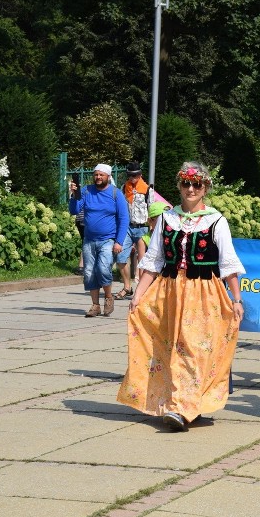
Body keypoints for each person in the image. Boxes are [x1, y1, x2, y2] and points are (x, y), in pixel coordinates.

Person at [117, 162, 245, 431]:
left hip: (204, 293)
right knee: (167, 347)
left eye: (196, 184)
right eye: (186, 184)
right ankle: (176, 403)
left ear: (205, 188)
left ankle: (184, 408)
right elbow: (153, 260)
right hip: (170, 291)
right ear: (179, 186)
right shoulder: (167, 218)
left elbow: (228, 263)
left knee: (195, 348)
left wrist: (236, 300)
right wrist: (138, 295)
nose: (190, 189)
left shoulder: (216, 220)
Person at [68, 163, 129, 318]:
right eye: (96, 174)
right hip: (89, 239)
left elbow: (123, 219)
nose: (98, 177)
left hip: (108, 239)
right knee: (88, 273)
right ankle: (95, 305)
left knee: (103, 269)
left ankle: (108, 297)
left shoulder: (116, 194)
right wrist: (74, 195)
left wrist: (119, 241)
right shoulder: (87, 191)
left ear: (108, 177)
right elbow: (74, 210)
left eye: (101, 175)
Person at [115, 162, 151, 300]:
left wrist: (152, 226)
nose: (132, 178)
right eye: (130, 175)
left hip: (142, 228)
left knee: (142, 261)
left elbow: (151, 208)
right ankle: (127, 287)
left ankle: (141, 291)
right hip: (127, 227)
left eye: (135, 175)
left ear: (140, 175)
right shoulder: (124, 188)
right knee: (120, 257)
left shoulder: (147, 189)